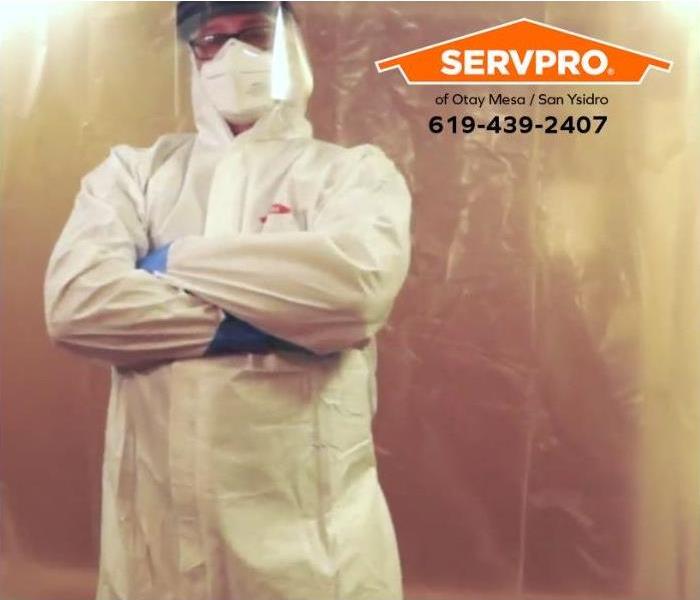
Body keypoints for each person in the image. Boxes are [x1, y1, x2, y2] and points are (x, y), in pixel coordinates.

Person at [43, 2, 412, 599]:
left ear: (289, 46)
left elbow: (354, 294)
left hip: (307, 522)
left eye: (253, 34)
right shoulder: (134, 175)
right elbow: (78, 308)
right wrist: (270, 318)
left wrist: (170, 261)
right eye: (210, 40)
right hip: (162, 516)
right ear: (193, 56)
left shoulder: (352, 175)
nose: (230, 53)